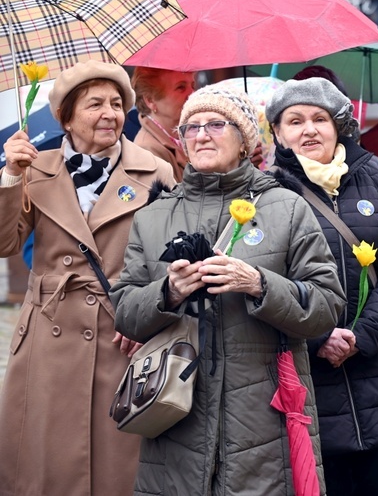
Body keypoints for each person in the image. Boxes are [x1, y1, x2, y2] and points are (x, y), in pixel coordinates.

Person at [109, 84, 346, 495]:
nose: (201, 134)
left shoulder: (286, 208)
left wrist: (258, 284)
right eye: (191, 127)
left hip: (263, 421)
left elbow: (326, 305)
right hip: (175, 422)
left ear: (244, 140)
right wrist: (168, 292)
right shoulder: (152, 217)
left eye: (216, 124)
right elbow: (125, 312)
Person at [0, 60, 176, 495]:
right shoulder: (35, 167)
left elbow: (170, 258)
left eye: (117, 104)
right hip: (47, 335)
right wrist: (9, 176)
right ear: (66, 116)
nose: (109, 113)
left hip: (122, 334)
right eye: (94, 103)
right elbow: (4, 244)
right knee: (45, 461)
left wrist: (147, 316)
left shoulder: (155, 171)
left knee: (117, 462)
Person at [266, 77, 378, 496]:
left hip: (377, 365)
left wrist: (362, 334)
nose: (309, 129)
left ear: (338, 125)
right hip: (310, 370)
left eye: (319, 118)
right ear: (278, 133)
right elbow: (265, 283)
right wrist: (320, 336)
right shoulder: (265, 189)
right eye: (294, 121)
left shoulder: (373, 174)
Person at [131, 66, 195, 181]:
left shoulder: (189, 133)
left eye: (193, 86)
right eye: (181, 87)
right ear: (150, 100)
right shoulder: (147, 151)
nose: (192, 93)